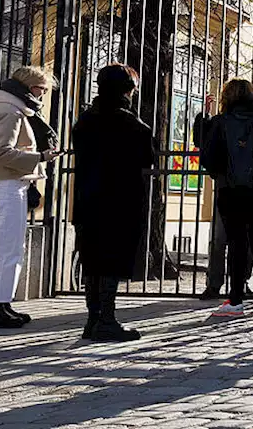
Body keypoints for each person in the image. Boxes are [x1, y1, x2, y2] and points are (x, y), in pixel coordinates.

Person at [72, 64, 155, 341]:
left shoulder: (84, 120)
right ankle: (106, 320)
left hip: (87, 199)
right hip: (119, 201)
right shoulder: (131, 124)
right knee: (110, 261)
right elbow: (148, 158)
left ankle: (93, 319)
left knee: (92, 259)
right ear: (128, 90)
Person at [0, 66, 61, 329]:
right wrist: (41, 158)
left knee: (10, 247)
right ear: (28, 87)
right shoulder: (10, 112)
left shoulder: (15, 109)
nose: (43, 95)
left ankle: (1, 303)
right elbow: (0, 153)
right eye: (41, 89)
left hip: (12, 184)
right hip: (7, 185)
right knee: (5, 248)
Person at [197, 79, 253, 317]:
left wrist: (220, 173)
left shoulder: (220, 123)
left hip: (230, 191)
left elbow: (204, 151)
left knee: (236, 243)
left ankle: (235, 300)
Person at [193, 94, 252, 301]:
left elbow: (202, 144)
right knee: (239, 238)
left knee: (221, 239)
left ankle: (219, 284)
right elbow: (202, 142)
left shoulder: (224, 122)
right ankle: (236, 283)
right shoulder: (222, 122)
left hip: (228, 184)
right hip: (244, 187)